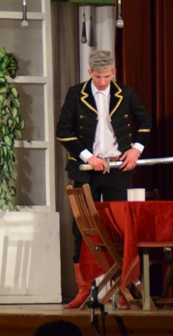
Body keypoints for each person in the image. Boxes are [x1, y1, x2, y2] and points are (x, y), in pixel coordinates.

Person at [55, 50, 152, 309]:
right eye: (97, 76)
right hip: (86, 171)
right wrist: (88, 157)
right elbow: (63, 131)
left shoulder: (125, 93)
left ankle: (123, 289)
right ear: (89, 73)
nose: (102, 82)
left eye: (106, 76)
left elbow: (145, 121)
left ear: (114, 73)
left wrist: (136, 150)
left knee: (119, 228)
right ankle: (84, 290)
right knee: (82, 229)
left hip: (117, 170)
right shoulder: (76, 94)